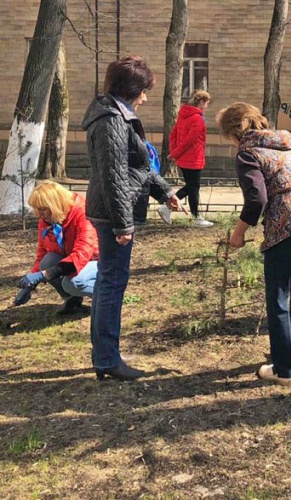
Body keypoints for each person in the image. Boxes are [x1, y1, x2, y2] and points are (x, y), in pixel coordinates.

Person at [216, 102, 291, 387]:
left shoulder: (249, 154)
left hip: (290, 225)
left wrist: (239, 232)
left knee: (278, 295)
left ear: (234, 132)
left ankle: (282, 370)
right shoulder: (288, 144)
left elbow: (257, 199)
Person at [82, 55, 183, 381]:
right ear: (132, 88)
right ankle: (108, 359)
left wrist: (165, 191)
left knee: (107, 282)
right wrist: (123, 223)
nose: (146, 96)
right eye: (144, 90)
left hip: (112, 210)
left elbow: (138, 167)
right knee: (112, 283)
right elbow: (114, 176)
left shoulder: (117, 115)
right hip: (113, 214)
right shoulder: (112, 119)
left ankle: (104, 355)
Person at [13, 181, 99, 315]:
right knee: (47, 262)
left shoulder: (83, 212)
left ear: (55, 205)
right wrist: (30, 285)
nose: (39, 214)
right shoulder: (48, 219)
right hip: (75, 261)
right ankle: (72, 301)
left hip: (102, 262)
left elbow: (82, 252)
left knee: (72, 282)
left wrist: (45, 274)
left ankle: (108, 297)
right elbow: (42, 253)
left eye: (42, 209)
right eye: (37, 209)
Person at [161, 89, 213, 227]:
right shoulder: (198, 119)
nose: (207, 106)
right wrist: (175, 153)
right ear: (201, 102)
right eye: (206, 103)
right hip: (193, 158)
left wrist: (174, 152)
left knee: (191, 187)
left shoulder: (183, 117)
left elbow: (173, 135)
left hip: (183, 159)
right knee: (193, 188)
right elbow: (190, 140)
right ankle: (195, 217)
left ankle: (168, 207)